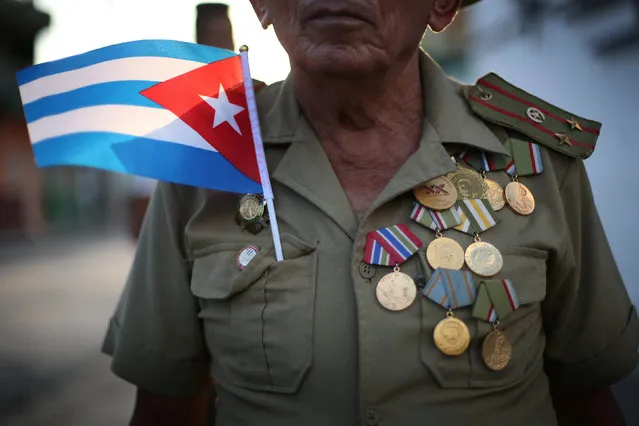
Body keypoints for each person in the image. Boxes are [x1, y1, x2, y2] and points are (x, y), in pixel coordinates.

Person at [102, 0, 639, 425]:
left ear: (442, 4)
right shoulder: (205, 165)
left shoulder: (536, 165)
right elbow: (163, 411)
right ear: (261, 4)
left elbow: (588, 403)